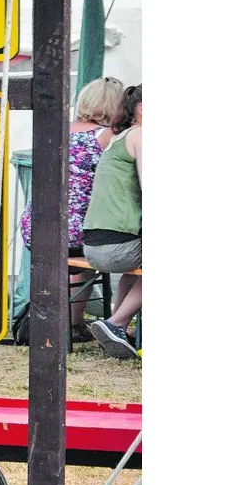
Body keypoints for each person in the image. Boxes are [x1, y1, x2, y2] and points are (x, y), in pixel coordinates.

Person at [18, 76, 126, 341]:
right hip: (77, 231)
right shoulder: (107, 137)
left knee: (78, 257)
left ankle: (72, 324)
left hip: (36, 226)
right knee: (93, 249)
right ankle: (81, 323)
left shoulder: (59, 130)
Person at [85, 84, 143, 359]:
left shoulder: (116, 139)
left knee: (136, 268)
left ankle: (116, 325)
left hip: (93, 246)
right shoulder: (142, 136)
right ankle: (116, 322)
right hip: (117, 246)